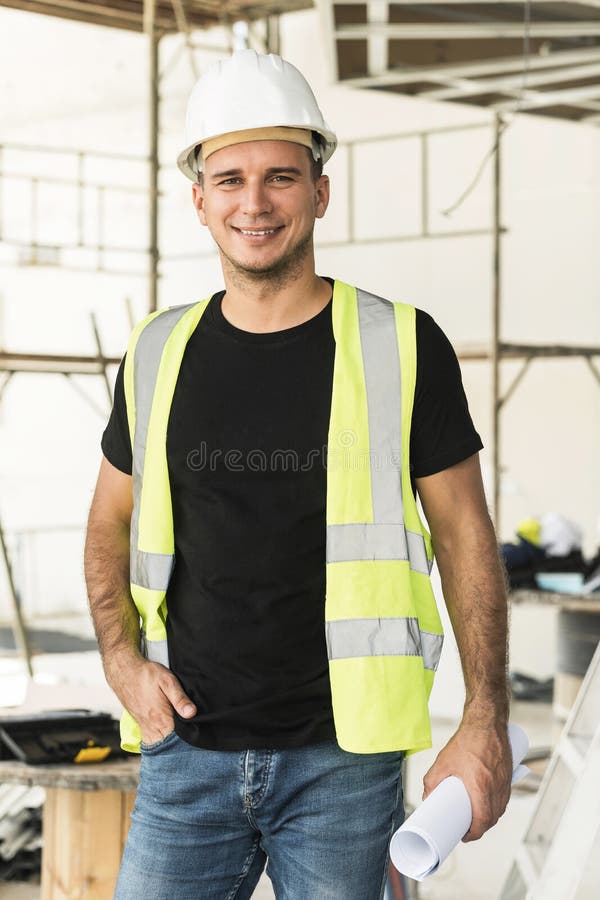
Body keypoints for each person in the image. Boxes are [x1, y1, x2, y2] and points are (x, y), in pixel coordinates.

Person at [84, 49, 512, 900]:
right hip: (183, 758)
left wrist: (485, 718)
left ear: (320, 192)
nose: (255, 201)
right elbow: (107, 523)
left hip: (342, 767)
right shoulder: (156, 350)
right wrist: (122, 664)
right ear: (199, 198)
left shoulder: (402, 343)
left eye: (281, 176)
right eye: (231, 177)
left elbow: (466, 536)